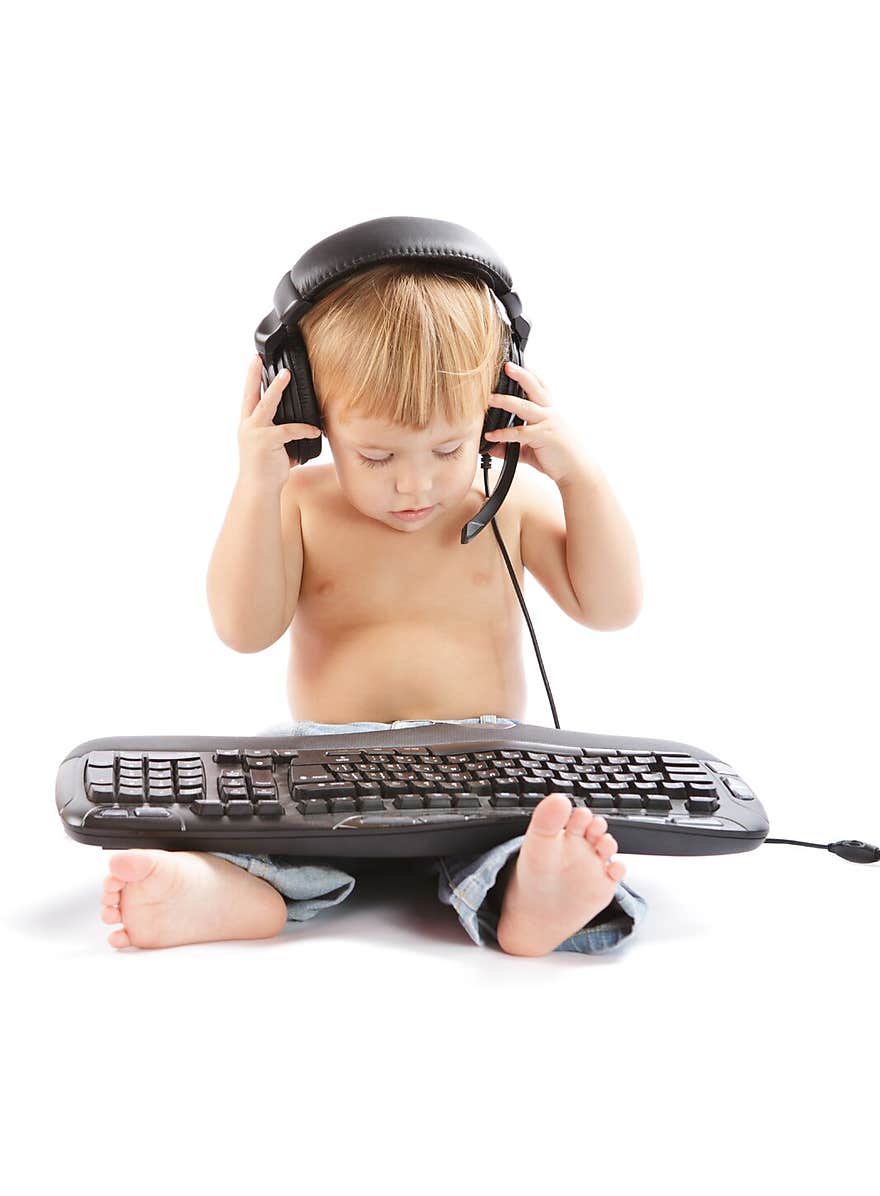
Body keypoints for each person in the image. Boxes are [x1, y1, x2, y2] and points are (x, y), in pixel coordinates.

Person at [98, 261, 647, 956]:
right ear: (310, 420)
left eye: (448, 448)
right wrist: (257, 485)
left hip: (478, 766)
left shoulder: (507, 505)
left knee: (529, 826)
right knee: (246, 812)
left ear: (500, 405)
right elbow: (243, 630)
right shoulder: (301, 504)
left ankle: (530, 895)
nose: (414, 484)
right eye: (378, 455)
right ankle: (220, 893)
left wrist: (581, 477)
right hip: (329, 764)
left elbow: (612, 607)